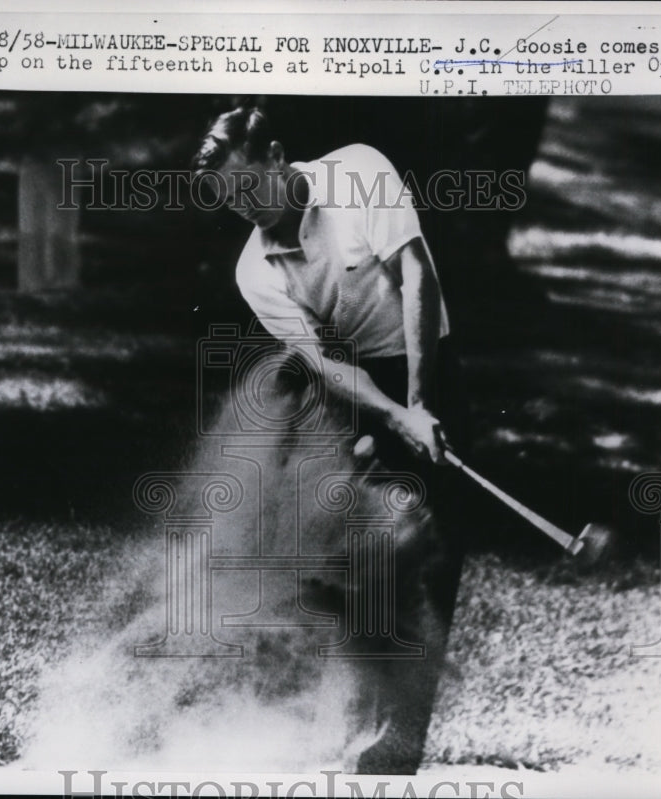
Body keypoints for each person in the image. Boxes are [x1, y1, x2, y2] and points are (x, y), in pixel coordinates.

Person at [191, 106, 469, 774]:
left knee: (427, 548)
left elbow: (417, 277)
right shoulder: (254, 271)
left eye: (249, 188)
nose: (245, 209)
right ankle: (330, 718)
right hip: (351, 378)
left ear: (278, 156)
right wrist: (389, 415)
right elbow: (323, 360)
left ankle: (399, 736)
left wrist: (420, 404)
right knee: (334, 537)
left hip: (424, 354)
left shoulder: (359, 172)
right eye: (230, 201)